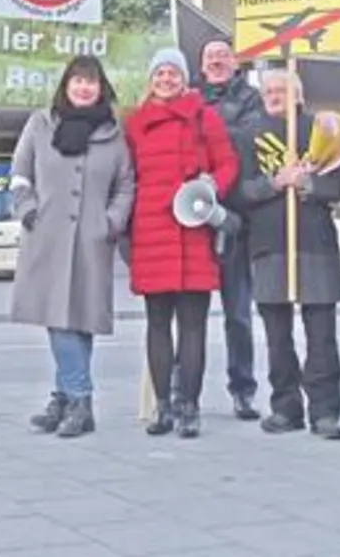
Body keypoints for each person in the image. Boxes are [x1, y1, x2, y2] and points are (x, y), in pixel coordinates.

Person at [11, 55, 136, 439]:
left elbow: (126, 185)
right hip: (45, 237)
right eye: (77, 81)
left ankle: (70, 397)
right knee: (58, 317)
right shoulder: (40, 124)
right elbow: (19, 174)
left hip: (90, 241)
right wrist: (28, 210)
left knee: (79, 320)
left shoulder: (114, 135)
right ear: (65, 85)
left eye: (91, 82)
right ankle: (75, 398)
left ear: (102, 88)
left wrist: (111, 222)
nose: (84, 88)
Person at [125, 47, 238, 438]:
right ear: (151, 79)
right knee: (157, 324)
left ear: (185, 78)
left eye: (173, 73)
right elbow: (127, 175)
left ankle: (189, 406)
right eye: (160, 74)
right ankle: (163, 407)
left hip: (193, 230)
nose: (167, 79)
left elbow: (227, 164)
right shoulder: (136, 123)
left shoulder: (204, 118)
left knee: (193, 326)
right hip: (152, 229)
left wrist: (212, 185)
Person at [235, 71, 340, 440]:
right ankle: (285, 406)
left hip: (315, 244)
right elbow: (239, 192)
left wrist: (308, 184)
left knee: (321, 335)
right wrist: (275, 182)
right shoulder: (248, 135)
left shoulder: (322, 129)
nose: (273, 96)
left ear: (298, 95)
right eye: (267, 91)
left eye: (281, 90)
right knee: (277, 335)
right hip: (268, 245)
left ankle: (325, 411)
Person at [191, 38, 265, 421]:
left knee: (238, 313)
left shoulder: (252, 97)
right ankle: (184, 390)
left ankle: (243, 389)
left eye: (223, 55)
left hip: (236, 215)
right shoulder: (190, 96)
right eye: (210, 56)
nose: (216, 61)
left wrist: (209, 134)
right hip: (195, 216)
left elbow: (251, 140)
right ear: (202, 65)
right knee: (190, 315)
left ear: (235, 63)